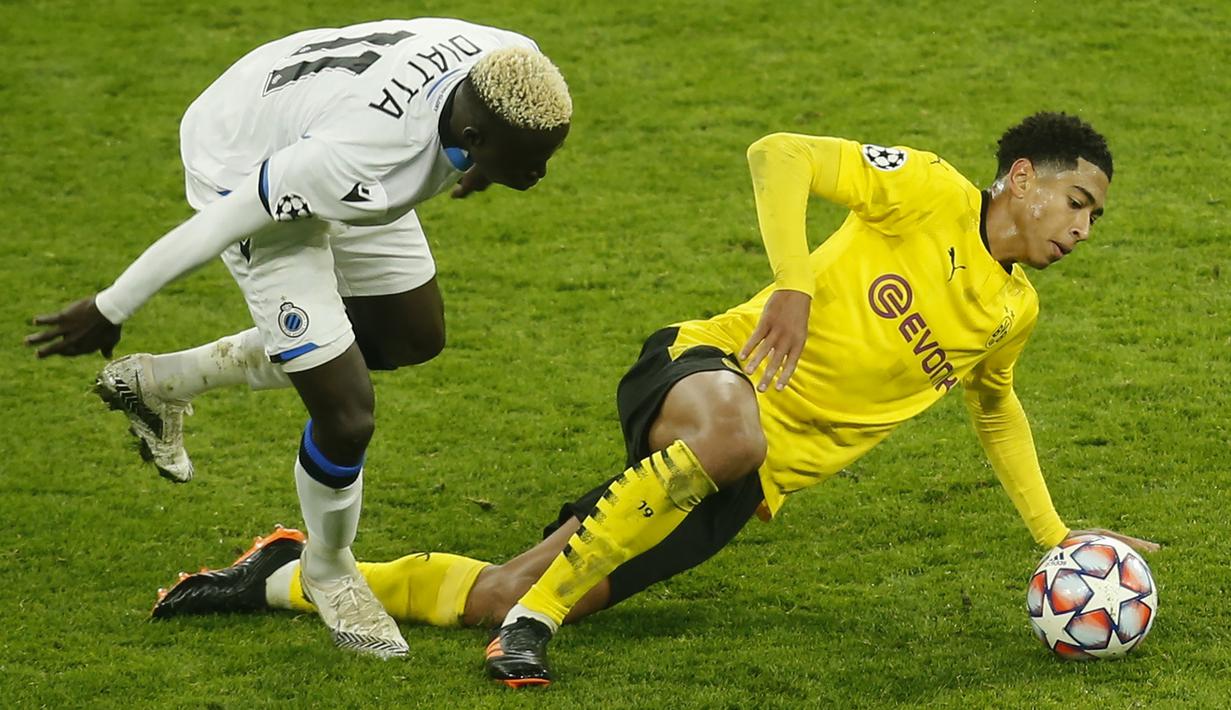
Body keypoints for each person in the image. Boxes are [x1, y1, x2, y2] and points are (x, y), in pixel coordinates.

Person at [147, 112, 1158, 684]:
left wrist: (1056, 532)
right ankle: (532, 631)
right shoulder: (931, 190)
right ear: (1020, 176)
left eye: (1095, 219)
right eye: (1077, 201)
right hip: (699, 374)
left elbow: (996, 411)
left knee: (499, 586)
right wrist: (795, 283)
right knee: (732, 427)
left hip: (736, 487)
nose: (1081, 226)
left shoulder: (1008, 311)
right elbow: (778, 153)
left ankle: (282, 571)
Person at [24, 18, 572, 659]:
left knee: (410, 336)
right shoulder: (359, 154)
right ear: (474, 134)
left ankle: (160, 384)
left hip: (319, 121)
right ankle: (330, 569)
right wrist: (111, 305)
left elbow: (451, 127)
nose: (541, 174)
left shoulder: (512, 62)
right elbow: (224, 223)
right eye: (532, 161)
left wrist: (480, 163)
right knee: (346, 413)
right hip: (245, 158)